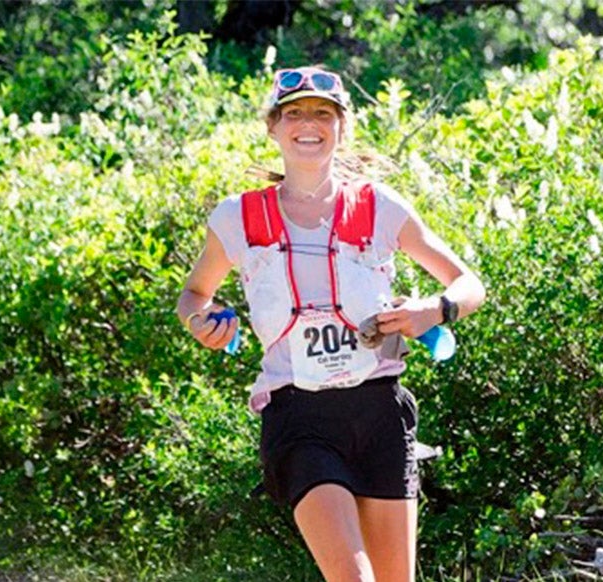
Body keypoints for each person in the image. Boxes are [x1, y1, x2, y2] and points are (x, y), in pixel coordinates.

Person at [177, 66, 485, 582]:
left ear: (343, 127)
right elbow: (194, 294)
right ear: (272, 126)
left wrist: (435, 310)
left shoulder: (378, 206)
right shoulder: (238, 218)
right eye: (293, 112)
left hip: (380, 410)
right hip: (299, 417)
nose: (308, 124)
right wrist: (200, 323)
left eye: (323, 113)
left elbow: (468, 283)